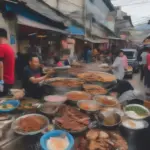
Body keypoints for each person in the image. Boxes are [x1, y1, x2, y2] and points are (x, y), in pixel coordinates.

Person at [0, 29, 15, 96]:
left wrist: (1, 82)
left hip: (3, 81)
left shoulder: (1, 47)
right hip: (10, 80)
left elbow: (0, 65)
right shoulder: (9, 48)